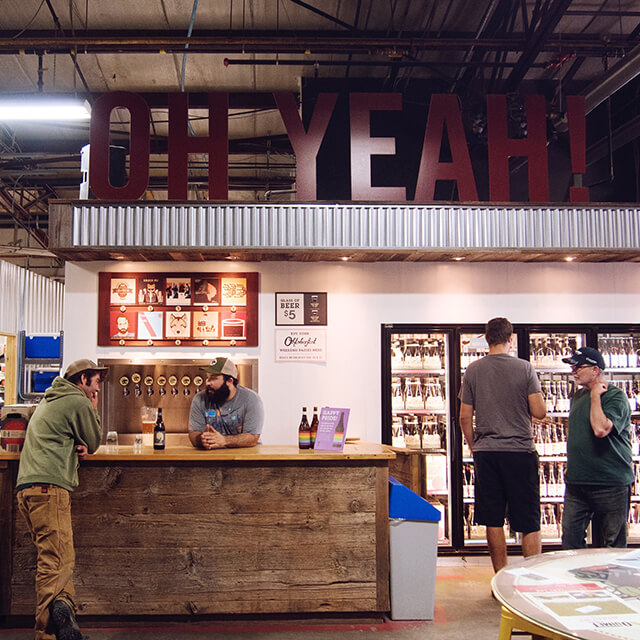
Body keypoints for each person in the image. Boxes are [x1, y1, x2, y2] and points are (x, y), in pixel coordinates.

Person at [16, 358, 107, 640]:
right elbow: (94, 440)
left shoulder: (50, 398)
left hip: (30, 489)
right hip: (48, 489)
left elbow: (64, 435)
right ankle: (46, 635)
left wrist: (72, 443)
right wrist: (91, 409)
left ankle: (66, 625)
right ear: (82, 380)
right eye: (95, 384)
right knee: (54, 563)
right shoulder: (77, 400)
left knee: (61, 560)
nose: (98, 391)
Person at [459, 317, 546, 572]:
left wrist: (474, 446)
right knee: (529, 519)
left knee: (493, 519)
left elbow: (465, 416)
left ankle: (500, 580)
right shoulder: (525, 368)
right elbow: (539, 411)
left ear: (486, 339)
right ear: (511, 339)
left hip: (487, 453)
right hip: (520, 452)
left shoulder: (473, 370)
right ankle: (530, 580)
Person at [561, 346, 633, 549]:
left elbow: (601, 429)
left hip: (610, 483)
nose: (573, 371)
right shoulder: (577, 396)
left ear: (595, 370)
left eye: (578, 367)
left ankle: (612, 582)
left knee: (614, 546)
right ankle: (577, 581)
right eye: (572, 367)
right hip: (577, 483)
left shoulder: (615, 397)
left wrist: (595, 395)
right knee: (570, 542)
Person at [188, 357, 264, 449]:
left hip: (244, 458)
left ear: (229, 381)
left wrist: (224, 440)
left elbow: (252, 438)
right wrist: (203, 439)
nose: (208, 383)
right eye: (207, 378)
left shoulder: (251, 399)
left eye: (213, 378)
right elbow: (193, 434)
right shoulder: (199, 399)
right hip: (211, 457)